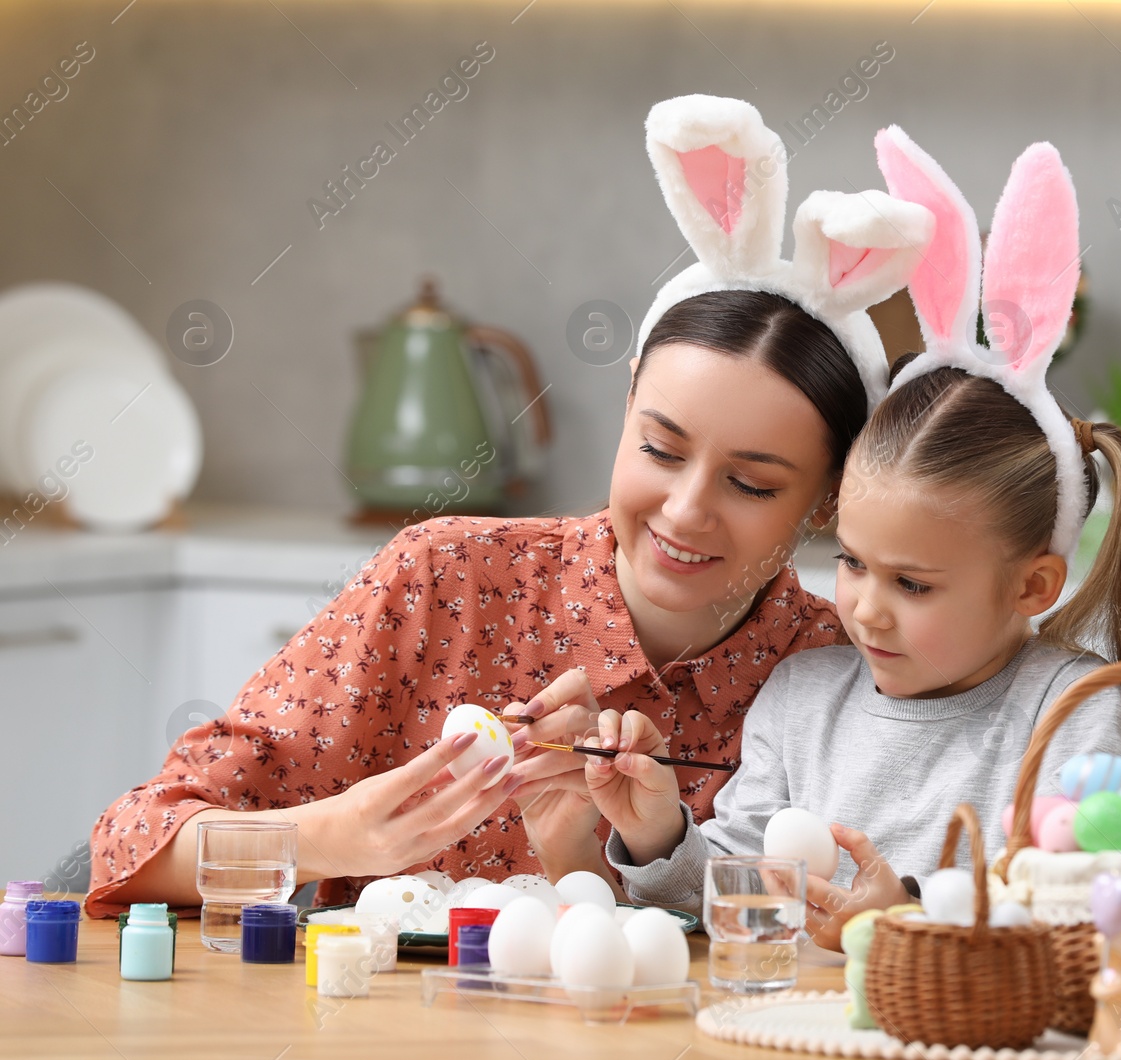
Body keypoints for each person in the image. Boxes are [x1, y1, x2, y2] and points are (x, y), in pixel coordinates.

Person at [83, 94, 933, 918]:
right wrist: (333, 839)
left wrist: (594, 867)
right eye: (660, 449)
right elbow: (135, 841)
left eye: (752, 483)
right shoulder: (443, 580)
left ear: (827, 499)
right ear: (627, 403)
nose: (684, 509)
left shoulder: (844, 670)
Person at [581, 128, 1121, 950]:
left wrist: (902, 919)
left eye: (913, 584)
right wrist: (658, 833)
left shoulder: (1069, 717)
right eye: (853, 564)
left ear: (1033, 586)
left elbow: (1083, 918)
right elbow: (731, 904)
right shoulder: (801, 699)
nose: (865, 609)